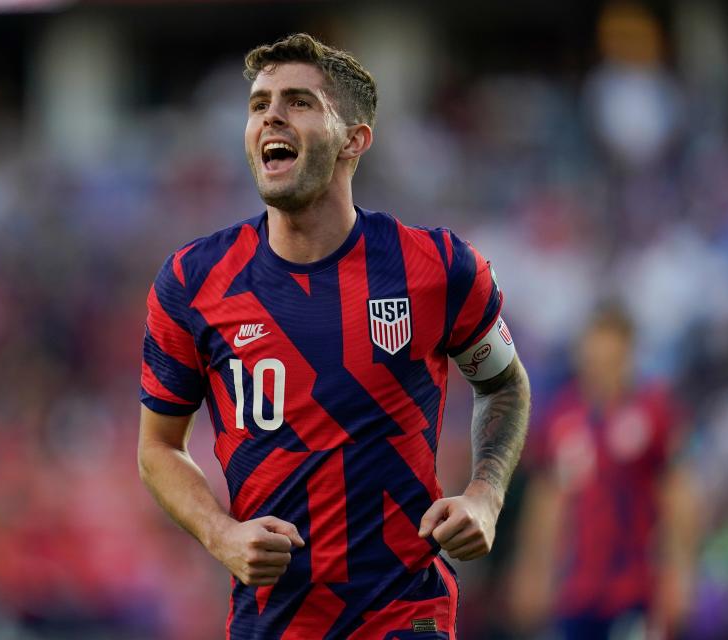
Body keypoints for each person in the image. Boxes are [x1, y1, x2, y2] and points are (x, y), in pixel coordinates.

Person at [137, 33, 531, 639]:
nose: (270, 114)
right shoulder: (192, 281)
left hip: (406, 612)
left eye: (298, 101)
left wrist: (485, 494)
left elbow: (504, 385)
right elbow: (159, 447)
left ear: (354, 139)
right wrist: (222, 535)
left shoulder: (438, 266)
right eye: (259, 103)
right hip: (272, 620)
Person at [509, 304, 698, 640]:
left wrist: (679, 571)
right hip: (577, 589)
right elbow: (547, 499)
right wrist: (532, 570)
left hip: (637, 589)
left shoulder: (652, 412)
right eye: (594, 360)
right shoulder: (562, 416)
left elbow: (677, 495)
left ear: (628, 356)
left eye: (610, 361)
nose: (600, 371)